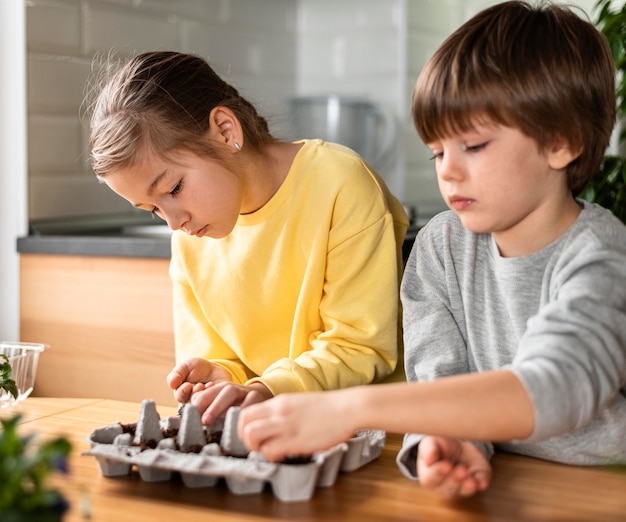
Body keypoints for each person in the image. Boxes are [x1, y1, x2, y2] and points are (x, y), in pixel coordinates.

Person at [237, 0, 626, 499]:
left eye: (475, 146)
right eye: (437, 151)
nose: (447, 171)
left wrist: (347, 408)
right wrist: (448, 442)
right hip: (507, 483)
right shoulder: (441, 247)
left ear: (561, 142)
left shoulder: (601, 255)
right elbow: (439, 380)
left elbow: (554, 389)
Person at [87, 51, 409, 425]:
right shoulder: (191, 235)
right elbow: (219, 356)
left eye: (174, 188)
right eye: (152, 209)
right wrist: (221, 377)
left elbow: (360, 346)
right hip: (271, 430)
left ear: (225, 130)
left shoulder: (340, 182)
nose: (173, 223)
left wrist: (265, 390)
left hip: (372, 430)